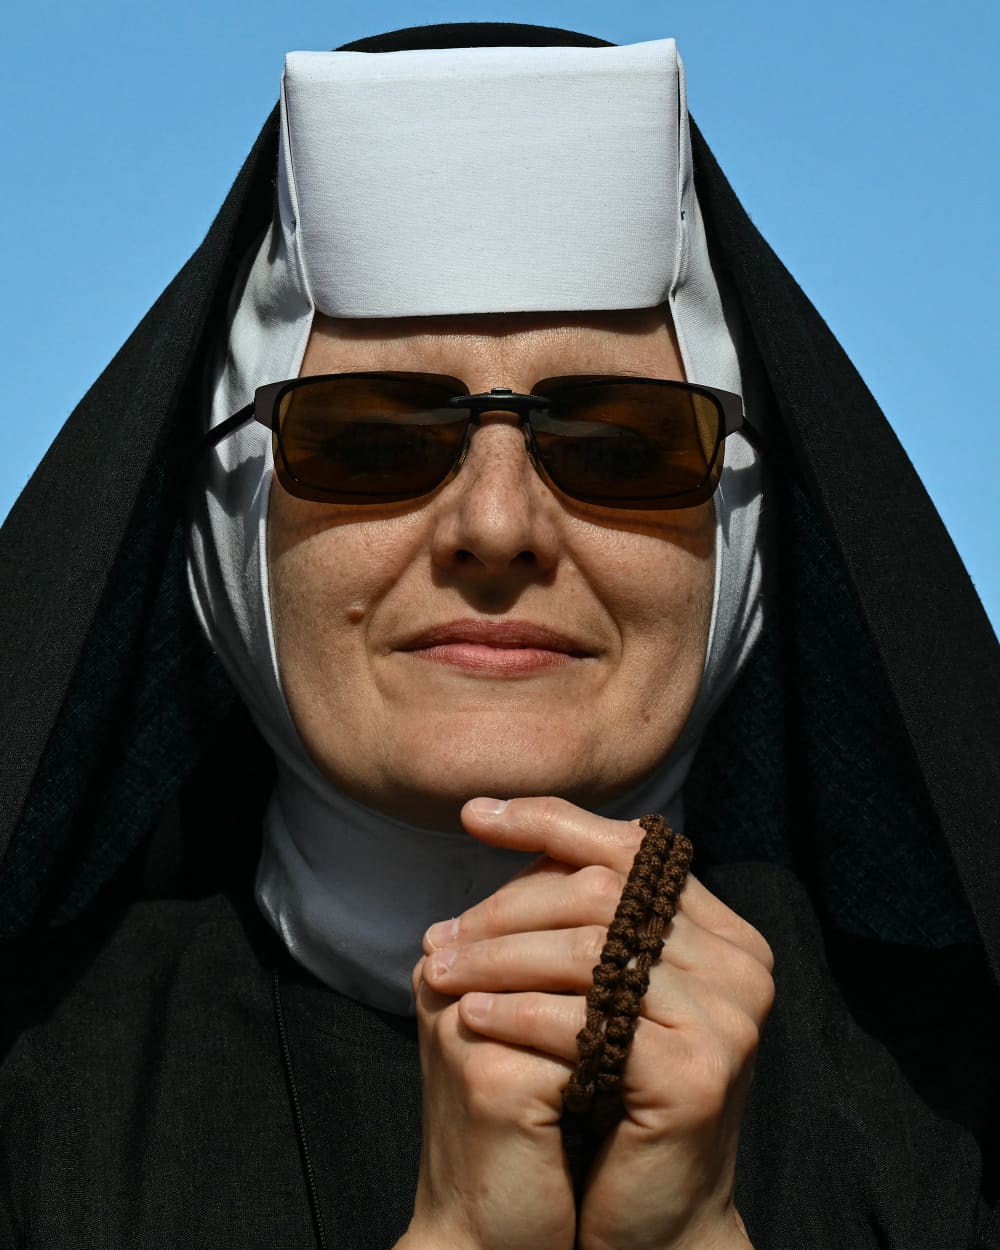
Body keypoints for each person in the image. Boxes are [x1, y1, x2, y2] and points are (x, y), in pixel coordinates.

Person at [1, 21, 997, 1250]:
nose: (495, 520)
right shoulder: (27, 1105)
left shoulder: (959, 1116)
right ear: (227, 532)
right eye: (368, 436)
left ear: (741, 543)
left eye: (621, 442)